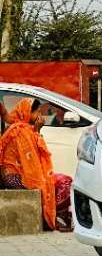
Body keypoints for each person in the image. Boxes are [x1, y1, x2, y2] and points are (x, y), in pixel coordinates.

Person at [0, 97, 73, 230]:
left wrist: (36, 131)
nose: (40, 115)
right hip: (15, 178)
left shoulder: (23, 129)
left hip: (18, 176)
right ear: (27, 112)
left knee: (59, 181)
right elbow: (32, 162)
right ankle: (49, 219)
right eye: (37, 111)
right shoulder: (21, 131)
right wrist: (37, 131)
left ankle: (53, 217)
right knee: (64, 182)